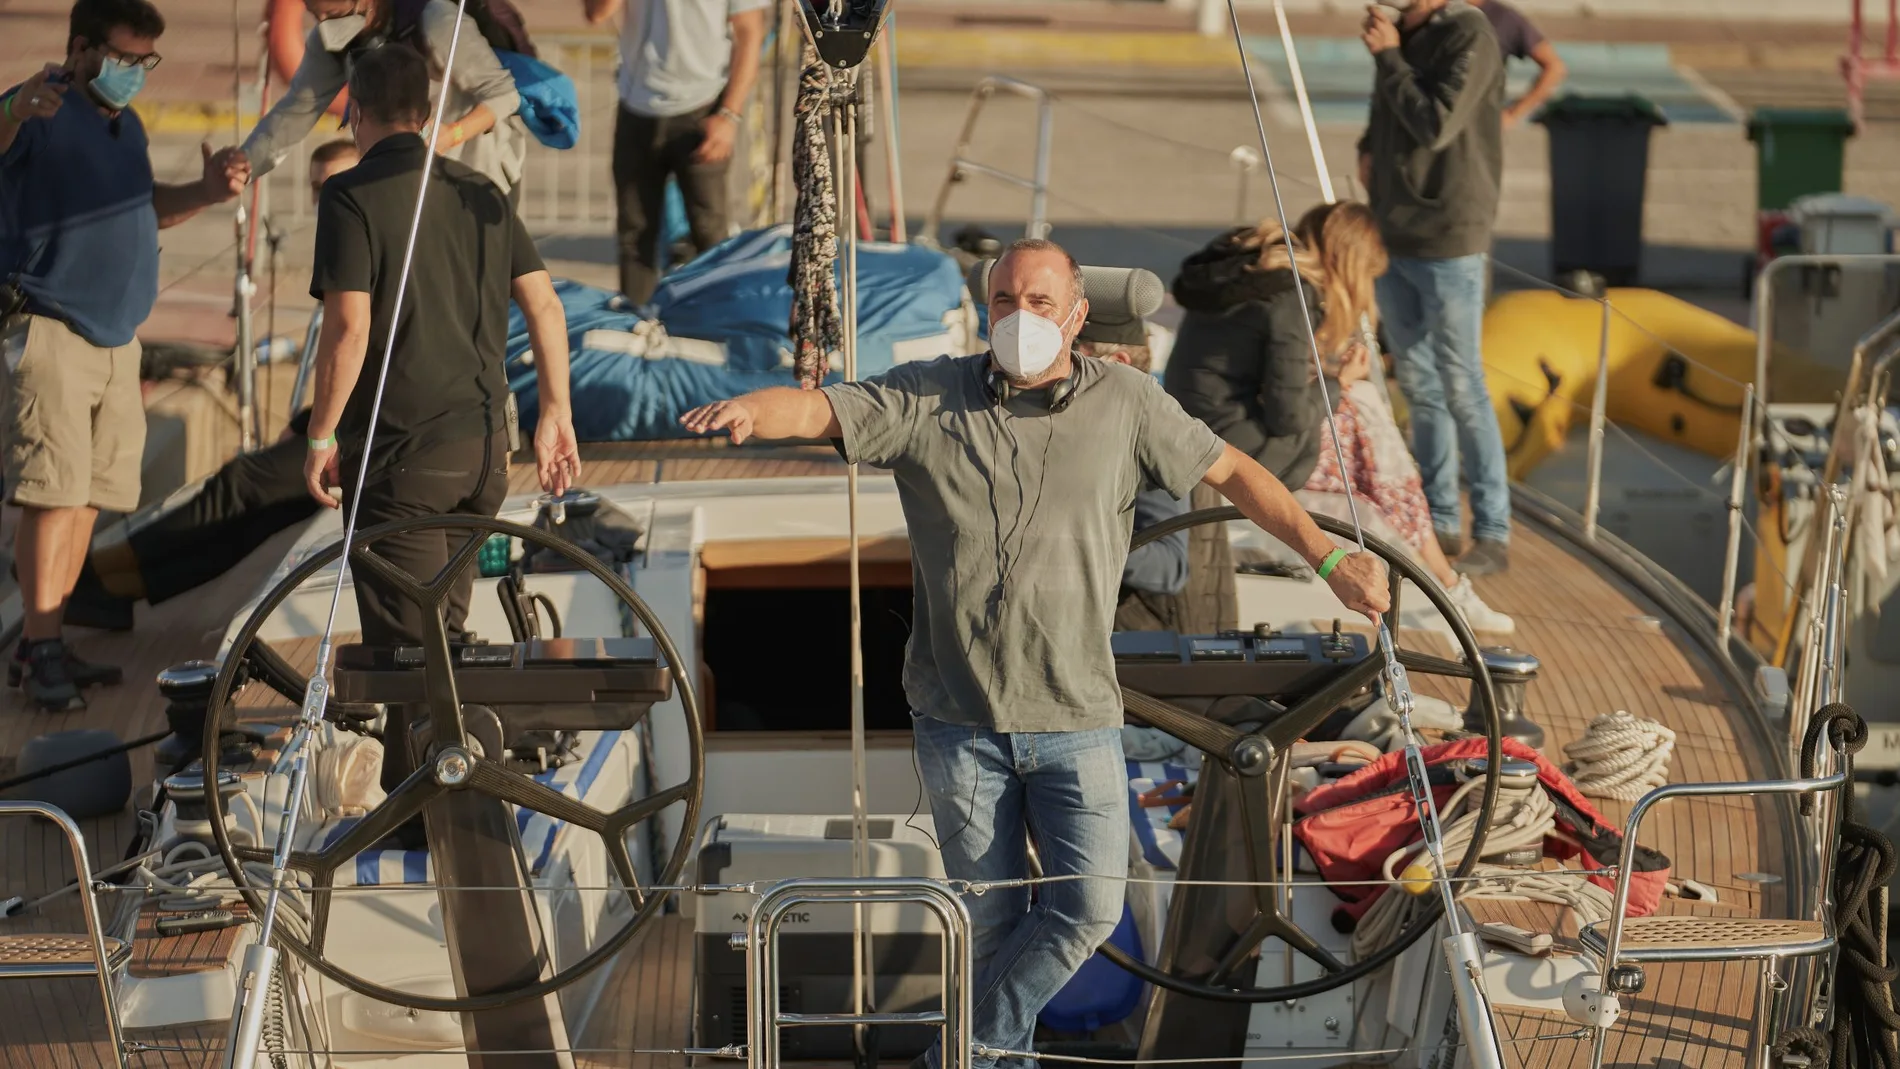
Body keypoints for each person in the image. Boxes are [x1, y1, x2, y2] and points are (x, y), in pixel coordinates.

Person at [679, 238, 1389, 1069]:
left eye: (1040, 302)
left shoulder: (1128, 401)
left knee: (1088, 909)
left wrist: (1331, 557)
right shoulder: (928, 396)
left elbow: (1234, 470)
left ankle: (968, 1048)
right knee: (987, 926)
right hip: (960, 721)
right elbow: (820, 410)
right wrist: (750, 411)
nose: (1021, 317)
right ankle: (992, 1058)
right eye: (1005, 302)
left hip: (1078, 718)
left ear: (1078, 315)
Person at [0, 0, 249, 710]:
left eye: (144, 63)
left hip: (116, 341)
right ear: (79, 49)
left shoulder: (126, 125)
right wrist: (17, 104)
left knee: (88, 498)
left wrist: (204, 191)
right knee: (51, 496)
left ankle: (41, 642)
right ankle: (41, 644)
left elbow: (144, 207)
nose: (133, 74)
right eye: (120, 59)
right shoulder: (38, 109)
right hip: (50, 330)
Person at [303, 43, 578, 653]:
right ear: (427, 115)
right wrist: (555, 412)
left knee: (412, 661)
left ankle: (436, 749)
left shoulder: (349, 197)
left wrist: (321, 436)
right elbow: (546, 306)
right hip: (484, 456)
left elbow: (349, 330)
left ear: (355, 113)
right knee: (446, 643)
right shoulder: (482, 191)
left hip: (404, 458)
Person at [1357, 0, 1512, 575]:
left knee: (1462, 383)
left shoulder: (1470, 34)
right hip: (1394, 232)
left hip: (1450, 236)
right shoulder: (1403, 34)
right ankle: (1441, 521)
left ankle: (1494, 529)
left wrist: (1389, 55)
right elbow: (1390, 115)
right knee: (1419, 384)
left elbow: (1435, 122)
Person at [238, 0, 527, 201]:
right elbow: (294, 113)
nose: (324, 25)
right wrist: (244, 165)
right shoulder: (330, 39)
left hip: (479, 179)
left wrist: (452, 134)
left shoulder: (436, 20)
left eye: (332, 12)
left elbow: (504, 94)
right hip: (411, 187)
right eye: (315, 13)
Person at [585, 0, 768, 303]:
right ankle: (636, 319)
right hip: (637, 104)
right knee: (635, 231)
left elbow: (750, 32)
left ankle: (715, 324)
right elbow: (596, 14)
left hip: (703, 105)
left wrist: (729, 114)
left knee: (709, 231)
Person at [1073, 314, 1240, 637]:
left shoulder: (1149, 437)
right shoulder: (1095, 427)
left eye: (1073, 358)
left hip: (1142, 641)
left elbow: (1168, 566)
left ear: (1117, 363)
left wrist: (1074, 540)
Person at [1165, 220, 1328, 489]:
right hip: (1227, 443)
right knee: (1339, 409)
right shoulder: (1288, 295)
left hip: (1185, 419)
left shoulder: (1222, 285)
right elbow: (1288, 417)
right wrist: (1336, 385)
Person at [1469, 0, 1566, 128]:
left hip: (1477, 131)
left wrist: (1513, 114)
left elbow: (1554, 68)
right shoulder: (1441, 13)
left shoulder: (1503, 18)